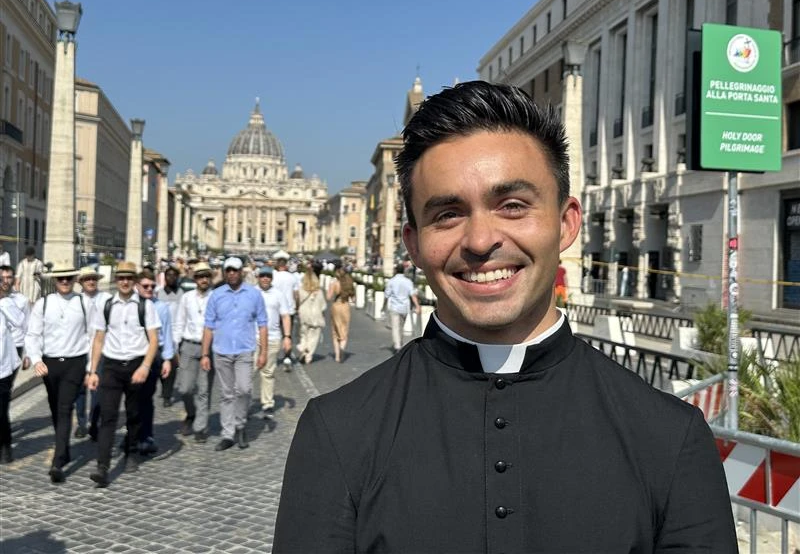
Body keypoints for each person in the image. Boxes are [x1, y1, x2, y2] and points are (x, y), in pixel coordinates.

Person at [273, 81, 736, 551]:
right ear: (413, 244)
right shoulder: (337, 432)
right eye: (447, 214)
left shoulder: (671, 437)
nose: (480, 240)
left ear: (566, 223)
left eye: (512, 206)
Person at [86, 261, 162, 487]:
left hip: (136, 365)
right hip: (111, 366)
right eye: (121, 278)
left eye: (129, 278)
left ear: (135, 281)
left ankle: (131, 451)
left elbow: (154, 340)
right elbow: (98, 339)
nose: (125, 282)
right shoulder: (107, 305)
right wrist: (93, 371)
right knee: (108, 415)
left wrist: (145, 367)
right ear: (116, 280)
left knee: (133, 414)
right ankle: (102, 466)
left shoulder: (146, 306)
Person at [24, 265, 90, 482]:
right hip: (51, 364)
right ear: (55, 280)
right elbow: (33, 335)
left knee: (64, 407)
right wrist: (36, 359)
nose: (65, 282)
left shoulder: (83, 302)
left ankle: (57, 461)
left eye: (68, 278)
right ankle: (65, 448)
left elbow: (93, 335)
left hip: (75, 362)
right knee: (55, 408)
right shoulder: (43, 304)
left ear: (74, 279)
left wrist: (90, 367)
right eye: (61, 278)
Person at [201, 256, 267, 451]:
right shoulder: (216, 295)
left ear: (241, 272)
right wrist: (204, 354)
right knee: (227, 393)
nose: (231, 274)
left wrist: (263, 352)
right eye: (228, 270)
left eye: (235, 270)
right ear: (224, 272)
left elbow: (263, 324)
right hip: (221, 350)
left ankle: (240, 424)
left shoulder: (254, 295)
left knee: (244, 389)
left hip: (244, 349)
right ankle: (228, 433)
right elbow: (208, 326)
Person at [133, 269, 174, 455]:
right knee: (132, 399)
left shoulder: (161, 307)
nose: (149, 289)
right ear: (137, 286)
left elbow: (167, 334)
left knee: (146, 398)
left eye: (152, 286)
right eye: (145, 286)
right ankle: (133, 434)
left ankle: (146, 435)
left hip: (155, 355)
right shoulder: (130, 305)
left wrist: (167, 359)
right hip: (134, 355)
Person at [172, 262, 214, 442]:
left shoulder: (216, 297)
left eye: (206, 276)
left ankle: (200, 427)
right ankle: (191, 413)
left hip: (209, 347)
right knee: (185, 388)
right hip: (188, 345)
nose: (204, 279)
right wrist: (176, 346)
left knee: (203, 390)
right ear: (195, 279)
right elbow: (179, 321)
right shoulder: (187, 297)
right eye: (200, 276)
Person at [73, 266, 110, 440]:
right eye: (87, 279)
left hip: (101, 349)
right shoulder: (75, 301)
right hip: (79, 349)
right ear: (81, 282)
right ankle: (81, 424)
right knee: (80, 390)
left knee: (97, 389)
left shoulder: (107, 298)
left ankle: (95, 423)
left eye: (93, 278)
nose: (91, 281)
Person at [255, 265, 292, 418]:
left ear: (271, 278)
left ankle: (267, 404)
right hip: (252, 338)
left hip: (273, 338)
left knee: (268, 373)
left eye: (268, 276)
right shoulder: (251, 293)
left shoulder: (278, 294)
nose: (265, 278)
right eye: (262, 276)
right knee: (247, 373)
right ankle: (242, 405)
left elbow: (285, 316)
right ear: (258, 277)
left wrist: (287, 336)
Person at [0, 272, 26, 464]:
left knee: (1, 410)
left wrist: (3, 299)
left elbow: (20, 322)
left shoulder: (5, 304)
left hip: (2, 368)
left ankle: (5, 446)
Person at [155, 264, 182, 407]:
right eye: (168, 275)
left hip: (175, 334)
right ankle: (163, 386)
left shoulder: (182, 294)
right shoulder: (158, 293)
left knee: (172, 365)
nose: (171, 278)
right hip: (160, 333)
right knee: (160, 364)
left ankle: (167, 394)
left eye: (174, 275)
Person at [384, 263, 421, 354]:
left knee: (395, 327)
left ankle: (397, 346)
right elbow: (412, 295)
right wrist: (417, 306)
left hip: (395, 307)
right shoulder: (408, 281)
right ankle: (399, 343)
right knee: (401, 326)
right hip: (404, 307)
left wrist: (383, 306)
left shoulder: (391, 281)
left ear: (396, 270)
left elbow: (387, 295)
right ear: (403, 271)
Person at [272, 253, 298, 369]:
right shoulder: (292, 277)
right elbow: (296, 294)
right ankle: (287, 357)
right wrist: (297, 306)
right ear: (286, 265)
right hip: (289, 309)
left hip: (276, 309)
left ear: (277, 265)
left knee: (274, 334)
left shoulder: (274, 276)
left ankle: (272, 357)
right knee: (287, 335)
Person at [295, 264, 326, 365]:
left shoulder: (301, 290)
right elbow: (323, 306)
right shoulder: (319, 292)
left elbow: (297, 302)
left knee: (303, 334)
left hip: (304, 315)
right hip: (316, 316)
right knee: (314, 337)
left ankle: (303, 347)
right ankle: (308, 354)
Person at [326, 264, 354, 363]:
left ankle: (337, 356)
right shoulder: (349, 283)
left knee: (335, 331)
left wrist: (330, 288)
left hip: (336, 306)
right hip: (345, 306)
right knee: (344, 330)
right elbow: (353, 299)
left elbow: (328, 297)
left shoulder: (334, 283)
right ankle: (342, 348)